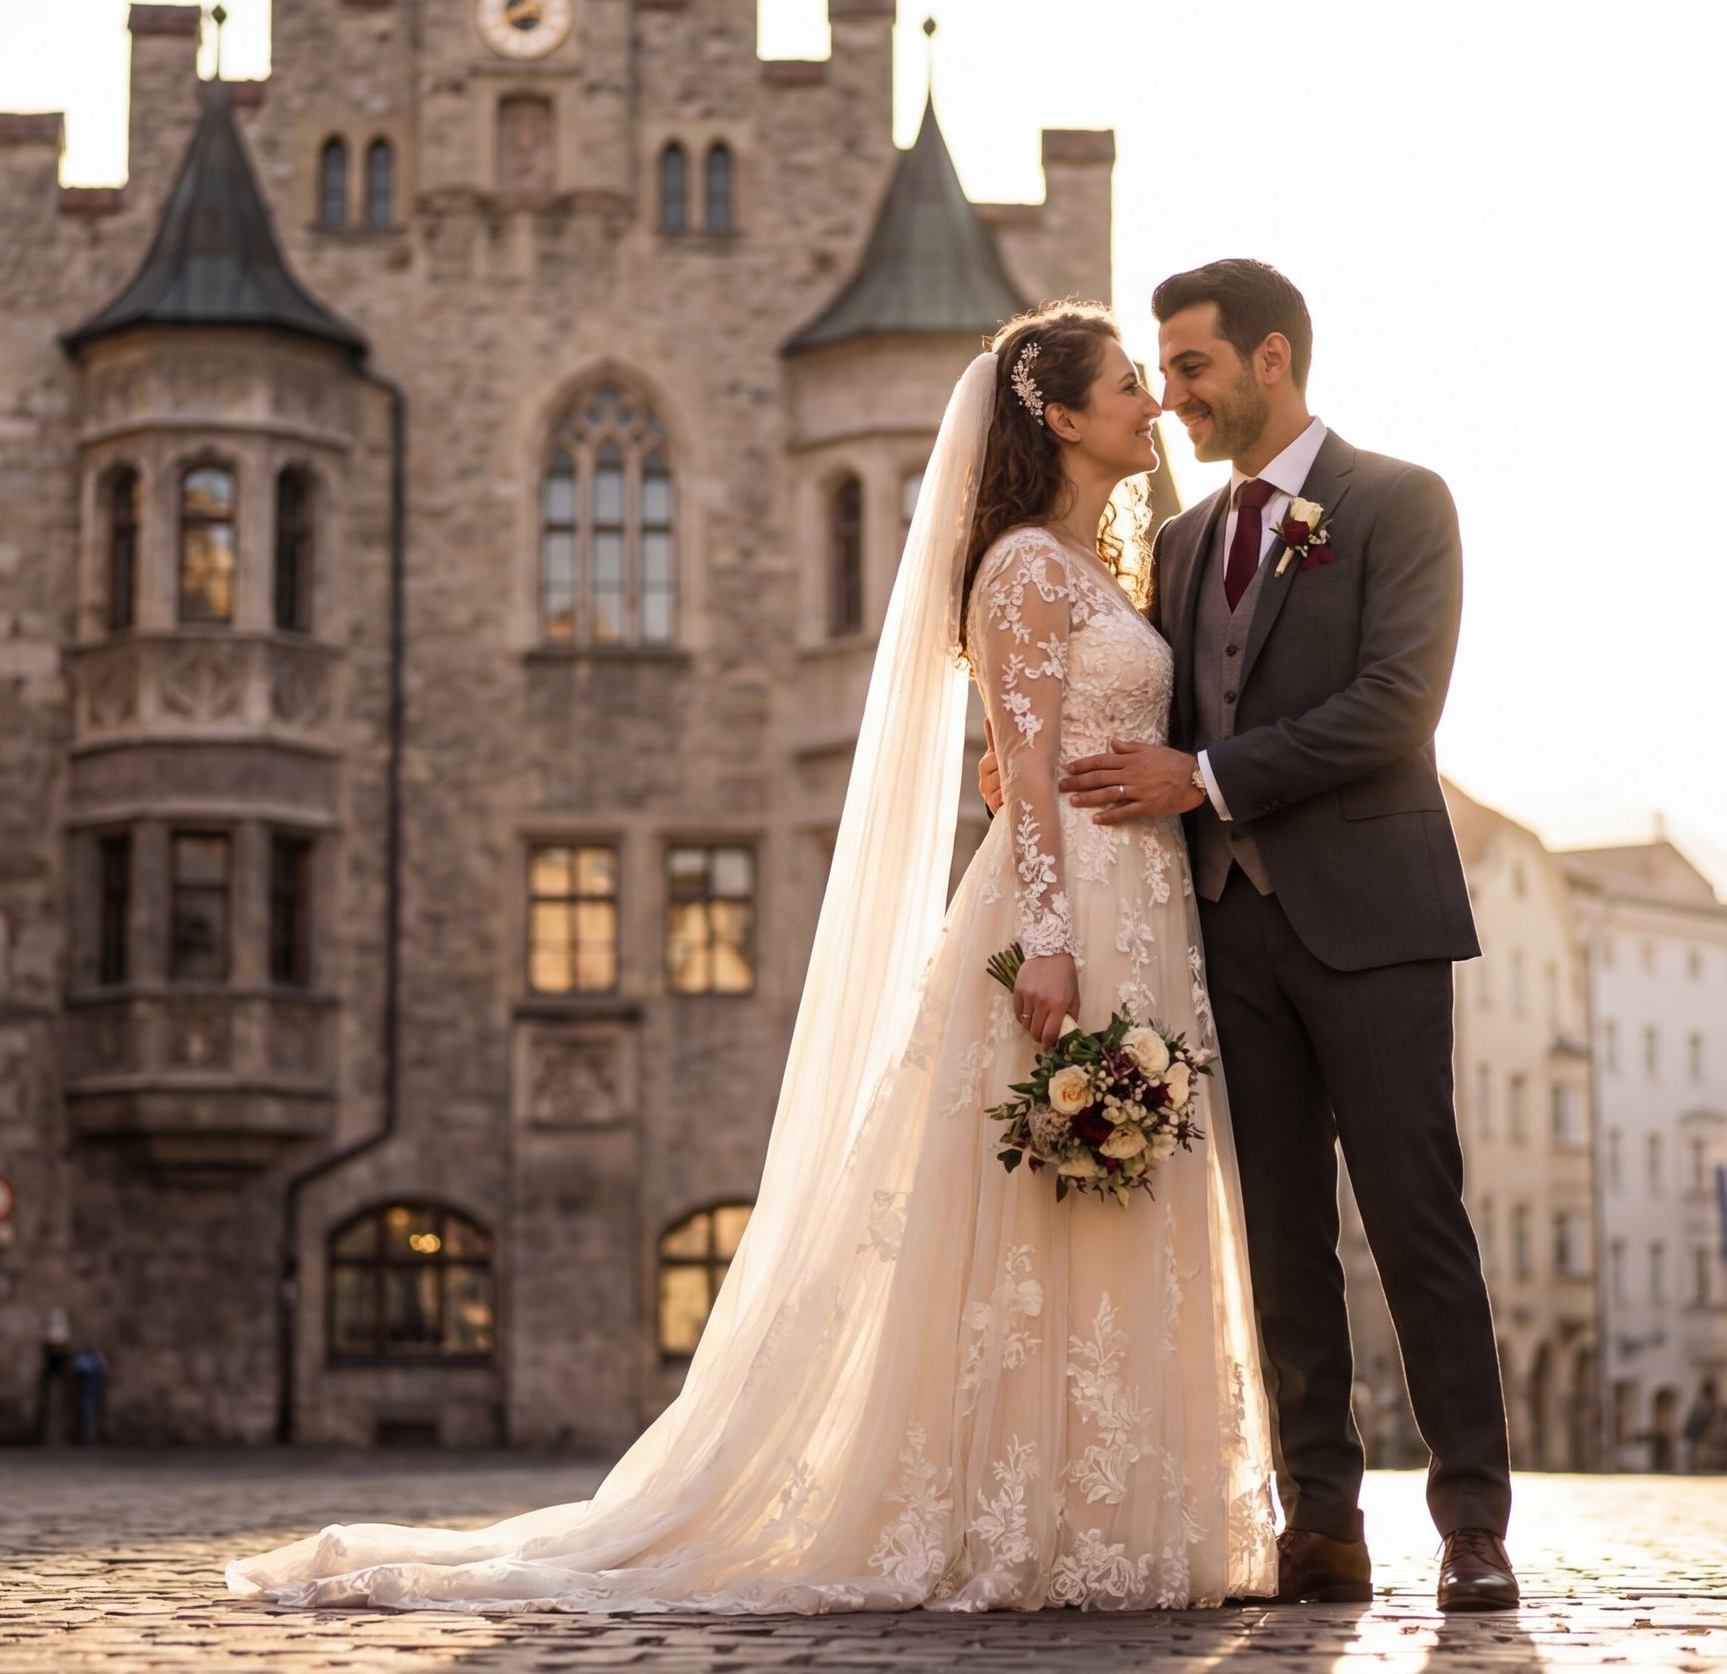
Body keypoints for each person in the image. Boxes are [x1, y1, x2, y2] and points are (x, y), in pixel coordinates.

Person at [229, 305, 1278, 1612]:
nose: (1151, 403)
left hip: (1146, 901)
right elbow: (1021, 793)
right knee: (1037, 1211)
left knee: (1108, 1211)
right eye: (1129, 383)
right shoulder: (1019, 568)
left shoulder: (1100, 566)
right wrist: (1050, 950)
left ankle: (1109, 1504)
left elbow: (1017, 753)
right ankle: (1021, 1510)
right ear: (1061, 418)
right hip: (1071, 909)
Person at [1018, 259, 1513, 1610]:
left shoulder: (1401, 502)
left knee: (1417, 1221)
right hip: (1222, 933)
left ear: (1271, 359)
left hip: (1377, 919)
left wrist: (1209, 780)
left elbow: (1395, 707)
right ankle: (1322, 1525)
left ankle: (1472, 1523)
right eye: (1159, 373)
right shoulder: (1176, 548)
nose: (1170, 396)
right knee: (1279, 1235)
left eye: (1190, 368)